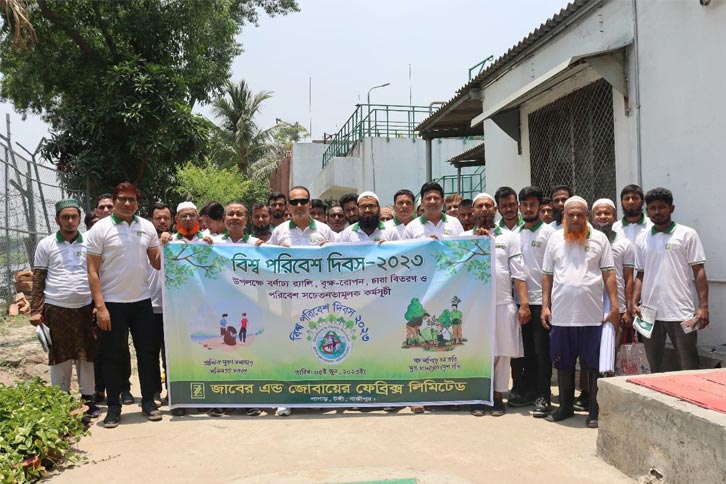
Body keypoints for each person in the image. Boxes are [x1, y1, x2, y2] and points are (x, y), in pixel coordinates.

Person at [86, 182, 163, 428]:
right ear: (115, 200)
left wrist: (166, 245)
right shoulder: (100, 229)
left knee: (147, 354)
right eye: (122, 199)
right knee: (112, 356)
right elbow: (92, 271)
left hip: (142, 302)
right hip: (112, 304)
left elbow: (157, 263)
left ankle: (148, 402)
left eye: (132, 199)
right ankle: (113, 407)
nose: (127, 203)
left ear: (138, 202)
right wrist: (100, 307)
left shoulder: (147, 227)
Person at [542, 196, 619, 428]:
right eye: (571, 214)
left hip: (592, 316)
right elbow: (547, 275)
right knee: (562, 363)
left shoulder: (600, 239)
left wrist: (615, 307)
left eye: (580, 214)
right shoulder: (554, 238)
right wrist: (545, 306)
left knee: (593, 365)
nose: (575, 218)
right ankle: (565, 407)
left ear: (587, 216)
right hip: (562, 316)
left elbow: (609, 274)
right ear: (564, 216)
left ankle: (594, 411)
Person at [30, 199, 100, 421]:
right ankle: (61, 401)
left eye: (74, 217)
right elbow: (38, 279)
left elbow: (98, 274)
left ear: (79, 219)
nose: (70, 221)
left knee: (87, 355)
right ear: (57, 219)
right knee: (59, 356)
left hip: (85, 308)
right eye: (65, 217)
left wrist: (99, 305)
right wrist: (35, 310)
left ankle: (88, 399)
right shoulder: (46, 244)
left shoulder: (89, 242)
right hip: (56, 308)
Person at [270, 186, 335, 418]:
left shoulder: (325, 230)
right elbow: (266, 263)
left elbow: (341, 259)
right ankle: (284, 399)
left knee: (315, 346)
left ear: (310, 204)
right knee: (288, 348)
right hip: (288, 301)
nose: (299, 206)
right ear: (288, 205)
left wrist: (329, 249)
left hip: (318, 300)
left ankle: (314, 395)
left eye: (303, 201)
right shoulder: (279, 232)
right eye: (294, 202)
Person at [465, 193, 529, 417]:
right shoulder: (463, 238)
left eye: (487, 205)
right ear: (473, 211)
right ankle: (479, 396)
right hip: (474, 306)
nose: (484, 209)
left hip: (503, 303)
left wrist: (524, 304)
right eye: (479, 206)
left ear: (494, 209)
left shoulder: (509, 237)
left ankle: (498, 396)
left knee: (502, 352)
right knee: (478, 351)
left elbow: (518, 272)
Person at [633, 188, 708, 373]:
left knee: (689, 365)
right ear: (647, 211)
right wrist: (633, 302)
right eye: (652, 208)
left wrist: (703, 307)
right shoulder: (642, 239)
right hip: (649, 314)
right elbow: (640, 273)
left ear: (671, 208)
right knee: (653, 367)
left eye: (662, 207)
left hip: (682, 313)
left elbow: (699, 271)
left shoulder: (687, 234)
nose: (657, 212)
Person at [403, 182, 463, 414]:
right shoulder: (412, 227)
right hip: (421, 291)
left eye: (436, 198)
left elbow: (463, 252)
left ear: (442, 201)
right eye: (428, 198)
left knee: (445, 343)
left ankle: (448, 393)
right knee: (421, 344)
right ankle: (418, 395)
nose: (432, 202)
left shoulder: (454, 224)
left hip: (448, 288)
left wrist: (444, 246)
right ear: (422, 201)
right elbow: (405, 257)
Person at [513, 186, 555, 417]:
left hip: (541, 302)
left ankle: (544, 395)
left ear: (540, 206)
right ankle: (527, 391)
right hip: (519, 302)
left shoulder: (549, 234)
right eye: (525, 204)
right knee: (525, 351)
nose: (528, 208)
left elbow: (552, 270)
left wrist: (547, 304)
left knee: (542, 352)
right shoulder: (515, 234)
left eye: (533, 204)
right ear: (520, 207)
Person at [92, 193, 134, 407]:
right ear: (96, 211)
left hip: (115, 300)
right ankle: (99, 389)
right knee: (99, 349)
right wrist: (96, 304)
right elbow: (90, 272)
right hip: (92, 302)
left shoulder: (127, 231)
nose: (106, 210)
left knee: (120, 346)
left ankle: (124, 388)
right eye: (102, 207)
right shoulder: (93, 234)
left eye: (109, 206)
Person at [591, 198, 635, 375]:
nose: (603, 216)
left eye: (607, 213)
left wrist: (628, 309)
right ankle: (589, 389)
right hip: (590, 306)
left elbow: (629, 278)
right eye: (598, 213)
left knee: (612, 353)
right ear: (592, 217)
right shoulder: (585, 242)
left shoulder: (625, 244)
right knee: (590, 354)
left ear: (614, 217)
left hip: (617, 307)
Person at [148, 203, 173, 407]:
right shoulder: (143, 241)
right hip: (148, 306)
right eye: (158, 218)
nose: (162, 221)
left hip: (173, 308)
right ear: (151, 220)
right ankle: (154, 391)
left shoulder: (177, 242)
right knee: (150, 353)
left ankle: (172, 392)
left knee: (170, 353)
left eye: (166, 218)